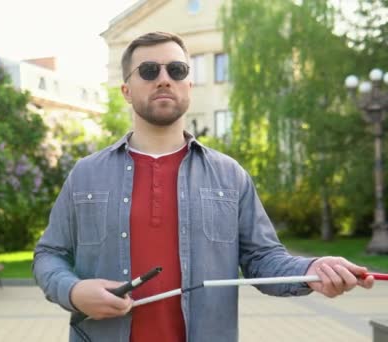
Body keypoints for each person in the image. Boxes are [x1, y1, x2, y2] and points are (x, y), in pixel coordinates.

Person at [32, 31, 374, 342]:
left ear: (189, 86)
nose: (164, 80)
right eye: (149, 71)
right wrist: (73, 291)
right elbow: (50, 255)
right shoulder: (85, 174)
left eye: (177, 70)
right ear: (126, 90)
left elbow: (263, 257)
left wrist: (311, 271)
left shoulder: (230, 175)